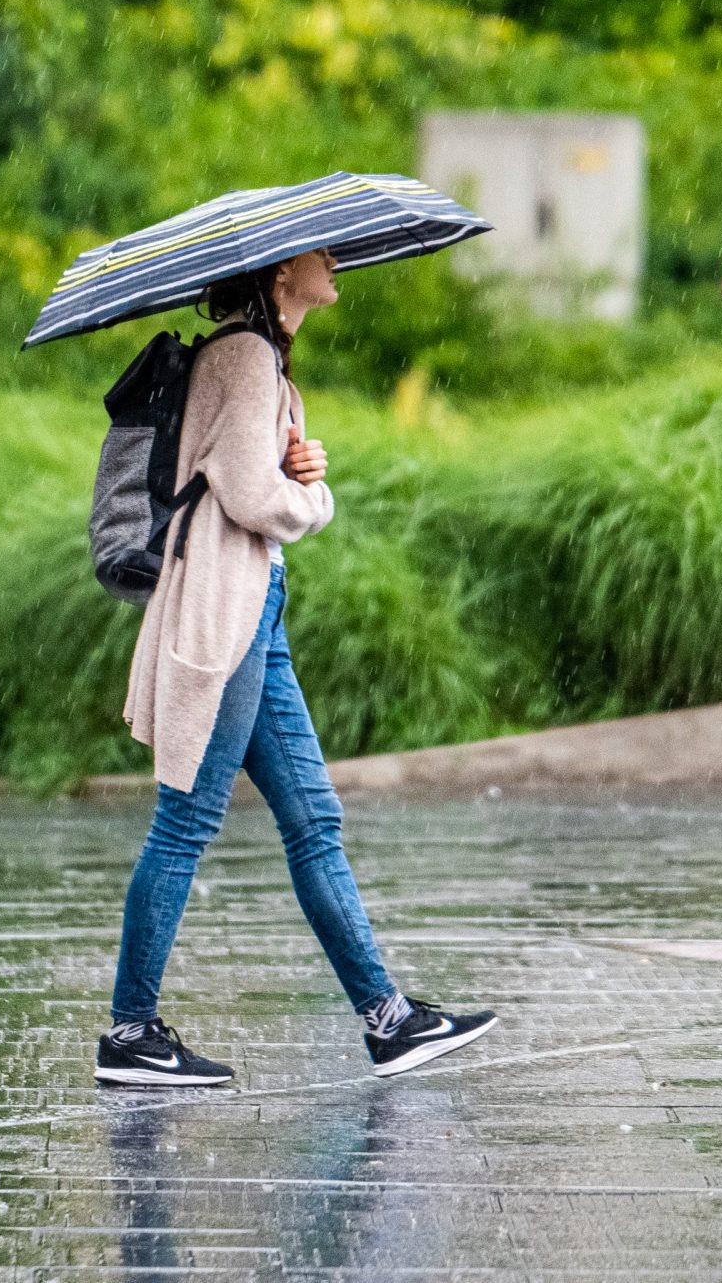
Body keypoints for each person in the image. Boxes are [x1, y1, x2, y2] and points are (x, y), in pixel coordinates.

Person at [94, 246, 499, 1088]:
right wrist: (313, 496)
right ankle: (129, 1031)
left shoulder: (263, 361)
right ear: (282, 275)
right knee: (184, 822)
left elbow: (245, 472)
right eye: (322, 255)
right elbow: (250, 496)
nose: (335, 261)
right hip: (225, 611)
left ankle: (388, 1020)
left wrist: (293, 464)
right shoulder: (242, 355)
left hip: (255, 611)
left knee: (314, 817)